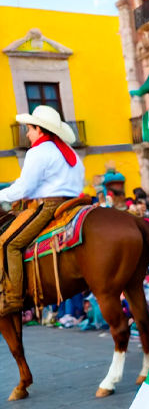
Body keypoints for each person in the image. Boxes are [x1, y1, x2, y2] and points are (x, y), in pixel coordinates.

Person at [0, 106, 85, 316]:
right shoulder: (68, 151)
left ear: (39, 129)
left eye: (29, 129)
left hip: (49, 205)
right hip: (76, 202)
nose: (27, 134)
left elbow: (24, 188)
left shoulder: (38, 152)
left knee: (8, 243)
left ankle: (13, 299)